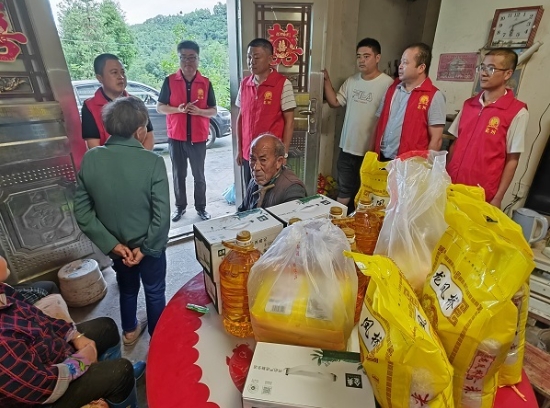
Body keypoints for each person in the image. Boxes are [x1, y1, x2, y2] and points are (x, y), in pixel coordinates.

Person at [74, 97, 170, 346]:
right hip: (149, 248)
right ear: (139, 132)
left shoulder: (91, 159)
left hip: (118, 250)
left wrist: (113, 245)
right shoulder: (152, 162)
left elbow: (83, 213)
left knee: (127, 289)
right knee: (154, 290)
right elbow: (161, 216)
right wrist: (146, 248)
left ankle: (129, 331)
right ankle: (158, 340)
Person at [0, 256, 138, 408]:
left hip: (49, 355)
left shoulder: (3, 290)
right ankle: (120, 385)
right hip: (45, 394)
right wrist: (81, 361)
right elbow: (38, 389)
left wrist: (74, 335)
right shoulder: (3, 342)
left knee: (106, 327)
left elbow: (39, 318)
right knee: (120, 372)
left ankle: (114, 388)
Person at [447, 48, 528, 208]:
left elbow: (512, 160)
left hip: (481, 192)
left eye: (491, 68)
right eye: (482, 67)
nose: (483, 73)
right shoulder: (468, 105)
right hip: (452, 185)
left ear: (507, 74)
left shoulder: (517, 112)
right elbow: (455, 143)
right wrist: (444, 175)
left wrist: (498, 198)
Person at [323, 38, 393, 208]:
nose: (361, 60)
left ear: (377, 58)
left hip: (371, 152)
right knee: (344, 190)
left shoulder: (388, 84)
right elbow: (335, 102)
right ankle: (340, 220)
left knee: (367, 193)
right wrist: (326, 80)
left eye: (366, 56)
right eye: (358, 56)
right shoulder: (352, 81)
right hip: (347, 147)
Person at [157, 40, 217, 222]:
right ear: (179, 59)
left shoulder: (205, 83)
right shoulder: (169, 81)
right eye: (183, 57)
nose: (187, 62)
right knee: (179, 175)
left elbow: (213, 110)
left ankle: (201, 208)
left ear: (198, 59)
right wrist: (178, 109)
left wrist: (199, 112)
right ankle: (180, 207)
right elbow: (160, 107)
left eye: (192, 57)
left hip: (198, 138)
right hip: (176, 138)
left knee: (199, 175)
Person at [236, 38, 297, 186]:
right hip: (249, 155)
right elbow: (241, 118)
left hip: (270, 158)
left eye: (256, 57)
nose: (252, 62)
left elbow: (289, 122)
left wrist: (284, 154)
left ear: (270, 59)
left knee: (270, 193)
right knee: (250, 190)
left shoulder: (283, 84)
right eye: (249, 57)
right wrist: (239, 149)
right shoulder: (244, 84)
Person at [373, 43, 446, 160]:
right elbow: (378, 122)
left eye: (405, 63)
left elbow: (436, 140)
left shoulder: (434, 96)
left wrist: (425, 165)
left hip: (409, 164)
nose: (400, 66)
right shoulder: (392, 89)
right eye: (400, 62)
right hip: (381, 157)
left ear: (421, 68)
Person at [81, 53, 154, 150]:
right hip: (107, 159)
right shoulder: (90, 106)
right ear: (99, 78)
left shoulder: (136, 103)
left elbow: (149, 136)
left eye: (123, 72)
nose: (121, 77)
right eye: (114, 72)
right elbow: (94, 146)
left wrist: (141, 157)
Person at [238, 133, 307, 212]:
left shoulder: (292, 189)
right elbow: (242, 212)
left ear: (279, 162)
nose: (256, 167)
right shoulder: (254, 180)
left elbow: (293, 219)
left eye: (263, 160)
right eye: (253, 159)